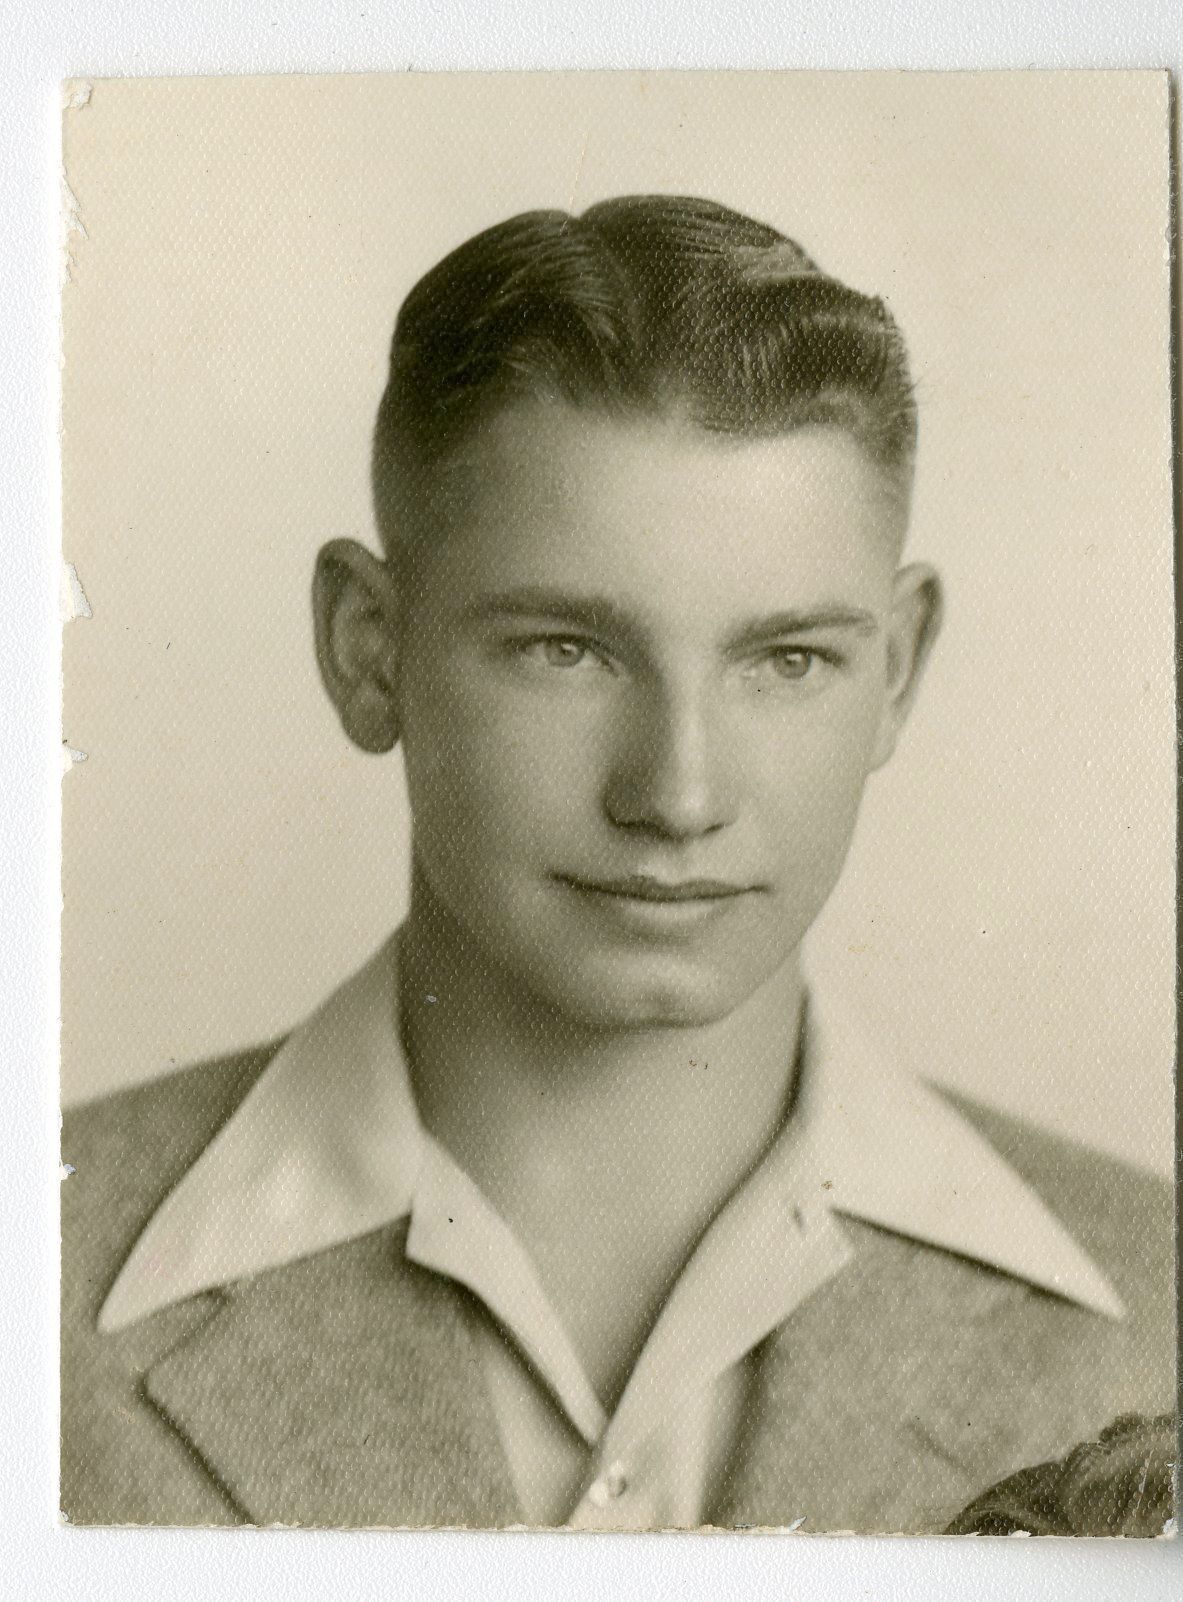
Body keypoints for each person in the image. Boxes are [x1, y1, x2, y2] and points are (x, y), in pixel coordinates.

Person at [61, 196, 1175, 1533]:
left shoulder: (1161, 1307)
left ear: (898, 669)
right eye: (566, 650)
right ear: (368, 648)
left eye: (788, 659)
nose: (678, 796)